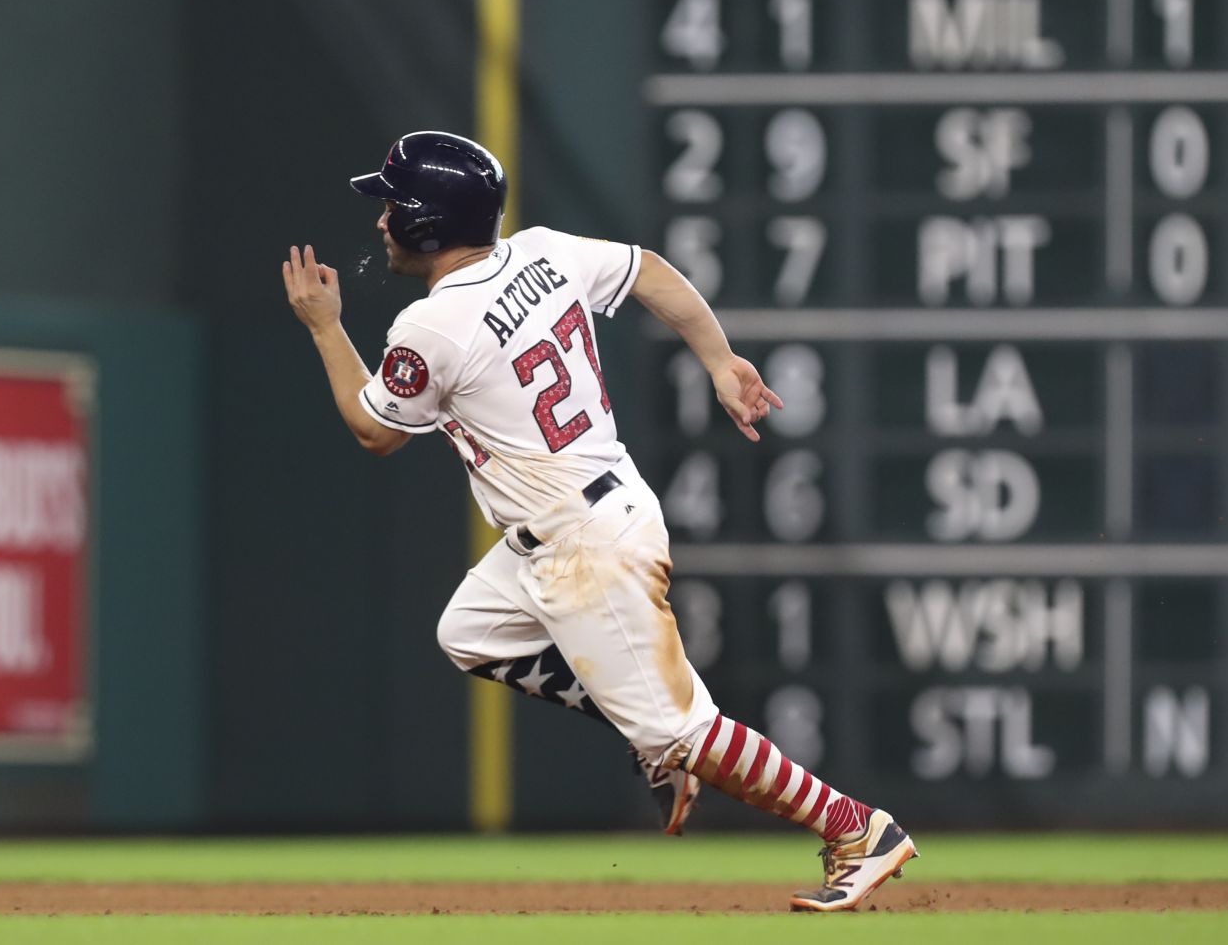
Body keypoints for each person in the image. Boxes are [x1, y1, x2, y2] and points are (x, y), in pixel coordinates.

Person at [281, 131, 917, 912]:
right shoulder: (542, 252)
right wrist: (719, 358)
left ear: (423, 221)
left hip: (584, 545)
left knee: (683, 731)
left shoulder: (430, 328)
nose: (380, 219)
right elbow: (648, 270)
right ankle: (650, 738)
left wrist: (323, 326)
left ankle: (856, 827)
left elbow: (375, 430)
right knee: (471, 633)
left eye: (390, 205)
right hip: (592, 513)